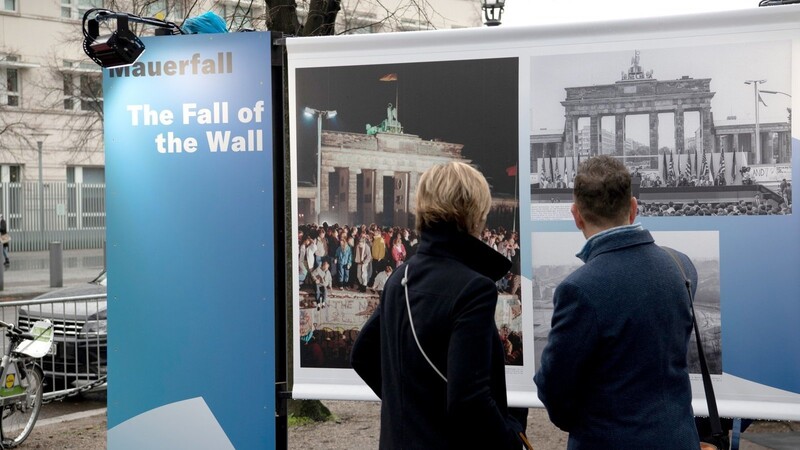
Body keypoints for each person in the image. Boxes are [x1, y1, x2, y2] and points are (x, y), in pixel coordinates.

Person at [351, 161, 529, 449]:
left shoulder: (400, 277)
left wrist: (414, 408)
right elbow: (469, 399)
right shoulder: (474, 288)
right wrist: (510, 440)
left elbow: (362, 355)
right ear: (474, 213)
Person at [533, 155, 700, 449]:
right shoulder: (682, 265)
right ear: (634, 208)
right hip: (679, 438)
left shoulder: (578, 289)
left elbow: (554, 386)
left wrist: (585, 424)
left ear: (576, 215)